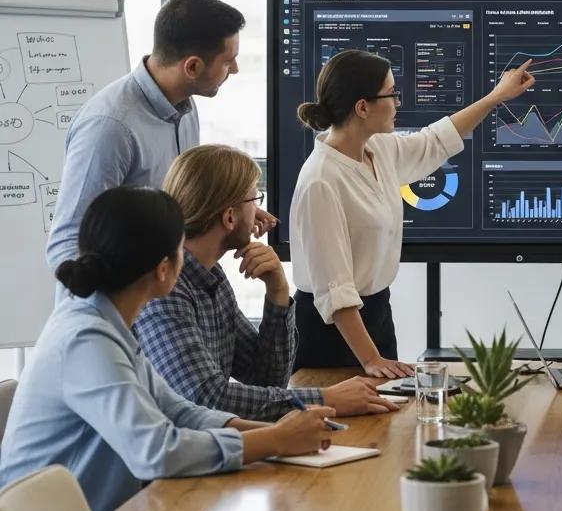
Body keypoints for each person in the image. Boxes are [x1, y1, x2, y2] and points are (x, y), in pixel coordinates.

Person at [0, 187, 335, 511]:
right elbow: (156, 451)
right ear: (164, 269)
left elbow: (177, 410)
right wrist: (275, 439)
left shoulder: (107, 319)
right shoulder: (87, 339)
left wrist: (282, 431)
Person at [290, 49, 536, 377]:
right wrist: (371, 359)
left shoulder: (377, 149)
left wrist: (495, 97)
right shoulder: (321, 180)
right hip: (332, 334)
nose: (398, 102)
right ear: (362, 107)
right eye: (392, 94)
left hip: (375, 317)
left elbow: (434, 141)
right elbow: (335, 291)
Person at [134, 144, 397, 421]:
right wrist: (326, 398)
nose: (260, 213)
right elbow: (207, 399)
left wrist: (277, 293)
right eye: (254, 200)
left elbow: (267, 378)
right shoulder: (164, 290)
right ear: (230, 217)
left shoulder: (213, 278)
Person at [46, 0, 274, 271]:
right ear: (192, 66)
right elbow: (68, 243)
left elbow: (182, 206)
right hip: (124, 307)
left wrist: (238, 213)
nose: (236, 69)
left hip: (165, 292)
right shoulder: (110, 126)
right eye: (228, 61)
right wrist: (124, 306)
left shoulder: (186, 107)